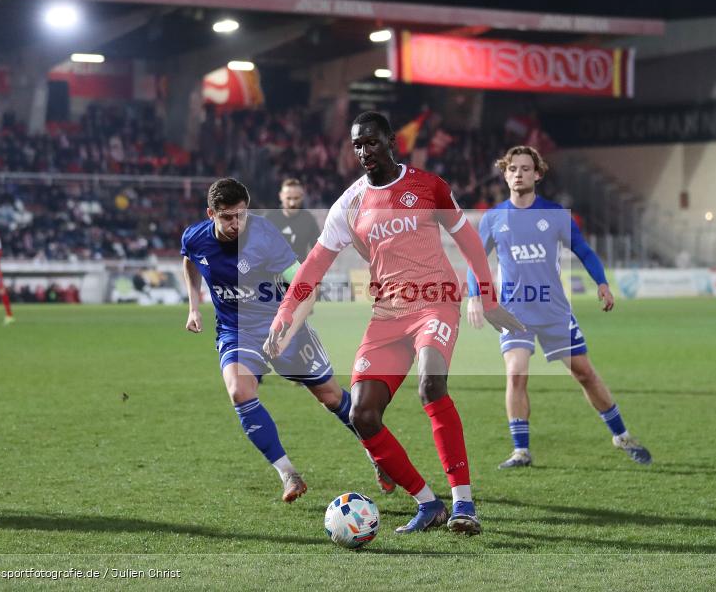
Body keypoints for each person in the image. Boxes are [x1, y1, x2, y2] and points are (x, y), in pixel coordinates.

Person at [266, 111, 522, 535]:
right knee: (364, 416)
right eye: (357, 145)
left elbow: (469, 241)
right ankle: (428, 504)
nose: (365, 151)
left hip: (435, 304)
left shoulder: (428, 185)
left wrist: (487, 297)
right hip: (386, 315)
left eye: (371, 142)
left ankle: (464, 505)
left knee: (431, 385)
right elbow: (313, 265)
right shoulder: (348, 204)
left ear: (391, 142)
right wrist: (284, 313)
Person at [181, 177, 391, 503]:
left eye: (241, 215)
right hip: (237, 332)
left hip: (282, 324)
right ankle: (287, 473)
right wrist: (194, 307)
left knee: (332, 397)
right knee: (239, 390)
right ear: (211, 214)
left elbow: (307, 288)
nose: (236, 224)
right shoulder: (194, 238)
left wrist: (286, 332)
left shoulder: (264, 236)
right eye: (227, 217)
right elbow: (190, 261)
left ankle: (378, 454)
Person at [465, 146, 651, 468]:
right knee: (516, 373)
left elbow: (583, 250)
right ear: (505, 174)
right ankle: (521, 450)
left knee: (585, 374)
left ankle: (620, 435)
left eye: (525, 168)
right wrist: (474, 296)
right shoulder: (493, 219)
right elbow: (475, 262)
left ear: (537, 174)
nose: (518, 174)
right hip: (515, 310)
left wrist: (602, 283)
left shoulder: (554, 215)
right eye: (512, 169)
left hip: (553, 310)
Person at [265, 178, 321, 263]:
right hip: (272, 273)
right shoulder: (269, 219)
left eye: (296, 198)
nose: (292, 203)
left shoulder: (308, 220)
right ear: (281, 196)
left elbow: (318, 251)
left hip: (299, 272)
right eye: (288, 198)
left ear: (302, 197)